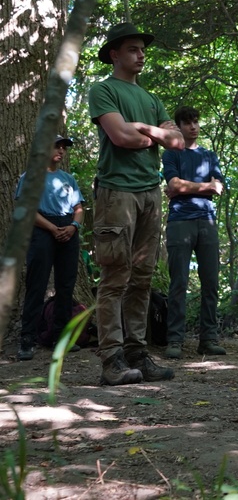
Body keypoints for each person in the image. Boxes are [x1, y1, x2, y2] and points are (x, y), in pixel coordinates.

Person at [88, 23, 184, 385]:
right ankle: (111, 359)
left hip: (150, 192)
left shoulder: (152, 98)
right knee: (115, 276)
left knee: (142, 278)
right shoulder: (103, 91)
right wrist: (155, 132)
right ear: (115, 54)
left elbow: (176, 143)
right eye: (132, 49)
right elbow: (121, 136)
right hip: (116, 193)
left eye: (142, 49)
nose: (140, 54)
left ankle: (137, 354)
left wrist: (144, 129)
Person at [161, 106, 226, 359]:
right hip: (180, 222)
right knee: (179, 283)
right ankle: (174, 340)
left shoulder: (209, 155)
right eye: (187, 122)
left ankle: (208, 339)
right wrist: (204, 186)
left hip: (207, 222)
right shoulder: (171, 155)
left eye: (196, 121)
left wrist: (186, 188)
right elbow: (173, 184)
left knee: (211, 282)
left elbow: (218, 188)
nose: (193, 127)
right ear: (179, 126)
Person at [15, 136, 84, 361]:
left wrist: (73, 226)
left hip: (68, 229)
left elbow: (79, 208)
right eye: (56, 146)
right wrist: (52, 228)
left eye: (63, 148)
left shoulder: (68, 179)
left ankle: (60, 337)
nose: (61, 151)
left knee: (66, 284)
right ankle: (27, 339)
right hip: (43, 228)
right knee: (37, 283)